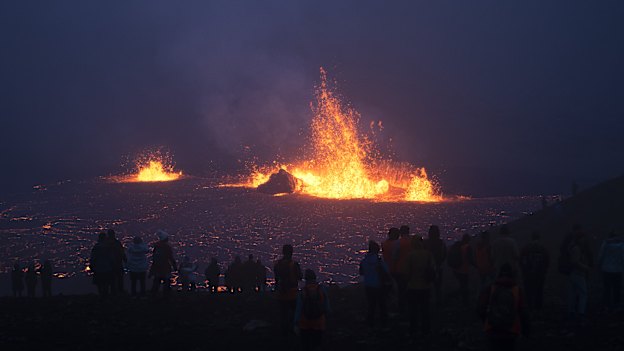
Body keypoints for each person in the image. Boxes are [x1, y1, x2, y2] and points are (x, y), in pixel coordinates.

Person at [477, 263, 530, 351]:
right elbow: (523, 312)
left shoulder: (490, 288)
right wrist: (526, 331)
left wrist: (486, 321)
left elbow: (480, 309)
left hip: (492, 328)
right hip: (512, 330)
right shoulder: (517, 290)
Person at [404, 236, 435, 342]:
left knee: (413, 311)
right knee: (425, 310)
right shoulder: (428, 254)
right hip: (425, 286)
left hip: (413, 286)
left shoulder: (410, 255)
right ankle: (426, 330)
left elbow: (407, 272)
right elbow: (433, 269)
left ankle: (413, 331)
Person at [562, 225, 592, 327]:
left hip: (571, 273)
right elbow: (575, 262)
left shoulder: (571, 246)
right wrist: (586, 268)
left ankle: (572, 313)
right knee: (583, 294)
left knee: (573, 294)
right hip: (578, 273)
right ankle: (581, 314)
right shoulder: (577, 248)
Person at [294, 269, 330, 351]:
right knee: (317, 344)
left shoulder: (303, 292)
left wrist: (296, 323)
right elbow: (326, 306)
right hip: (319, 322)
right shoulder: (322, 290)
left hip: (305, 323)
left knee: (305, 345)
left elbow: (298, 309)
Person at [359, 240, 390, 328]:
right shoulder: (379, 261)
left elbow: (361, 273)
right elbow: (386, 271)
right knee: (382, 304)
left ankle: (370, 322)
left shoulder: (364, 261)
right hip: (379, 285)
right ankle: (383, 323)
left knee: (371, 305)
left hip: (368, 285)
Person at [274, 244, 303, 338]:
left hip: (281, 294)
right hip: (292, 294)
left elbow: (276, 278)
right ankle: (294, 332)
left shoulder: (277, 264)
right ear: (291, 252)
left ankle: (283, 334)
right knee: (295, 314)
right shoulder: (294, 265)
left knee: (283, 315)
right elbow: (300, 277)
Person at [520, 231, 550, 313]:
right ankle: (538, 309)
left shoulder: (526, 248)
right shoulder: (543, 248)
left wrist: (524, 271)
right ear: (539, 238)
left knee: (528, 291)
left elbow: (521, 260)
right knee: (539, 291)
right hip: (540, 274)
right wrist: (544, 271)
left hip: (528, 274)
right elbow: (547, 261)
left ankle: (530, 308)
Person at [597, 230, 624, 312]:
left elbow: (601, 256)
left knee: (607, 288)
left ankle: (606, 305)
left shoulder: (605, 244)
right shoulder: (622, 245)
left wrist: (599, 264)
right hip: (618, 270)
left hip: (606, 269)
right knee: (617, 288)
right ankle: (616, 305)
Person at [149, 230, 177, 299]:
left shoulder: (157, 246)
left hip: (157, 267)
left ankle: (153, 296)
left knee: (156, 282)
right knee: (166, 283)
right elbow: (170, 257)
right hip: (165, 267)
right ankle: (166, 297)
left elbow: (154, 258)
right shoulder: (167, 247)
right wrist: (175, 267)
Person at [424, 225, 447, 306]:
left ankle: (427, 302)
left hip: (428, 267)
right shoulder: (441, 242)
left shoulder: (425, 242)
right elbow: (444, 254)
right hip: (438, 266)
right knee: (438, 286)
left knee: (427, 286)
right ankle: (438, 302)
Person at [450, 233, 474, 304]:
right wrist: (477, 266)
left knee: (462, 285)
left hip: (456, 269)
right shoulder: (467, 247)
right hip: (464, 270)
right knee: (464, 286)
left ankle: (458, 298)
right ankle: (464, 301)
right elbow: (470, 260)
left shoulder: (458, 245)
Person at [90, 231, 114, 298]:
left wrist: (92, 266)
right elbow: (111, 258)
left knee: (100, 283)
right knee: (106, 283)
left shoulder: (96, 247)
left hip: (98, 268)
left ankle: (101, 296)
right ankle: (106, 296)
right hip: (107, 268)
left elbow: (93, 258)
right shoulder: (108, 247)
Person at [381, 227, 401, 310]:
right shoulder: (396, 244)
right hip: (395, 269)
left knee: (388, 290)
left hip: (386, 268)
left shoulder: (384, 243)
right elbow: (395, 257)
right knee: (396, 289)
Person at [396, 225, 412, 314]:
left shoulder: (398, 243)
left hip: (401, 268)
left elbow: (395, 256)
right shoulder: (413, 241)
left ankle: (402, 308)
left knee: (401, 289)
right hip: (412, 268)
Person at [108, 229, 127, 295]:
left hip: (109, 265)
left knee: (111, 279)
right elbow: (122, 252)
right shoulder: (117, 243)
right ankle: (120, 291)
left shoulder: (105, 243)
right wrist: (125, 260)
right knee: (119, 278)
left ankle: (112, 292)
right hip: (118, 263)